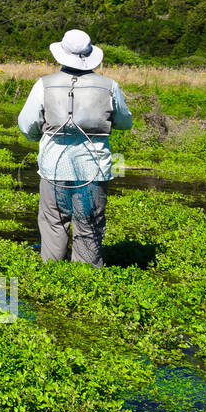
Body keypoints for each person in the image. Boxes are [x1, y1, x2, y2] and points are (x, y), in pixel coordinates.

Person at [16, 29, 133, 267]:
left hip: (53, 169)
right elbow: (125, 122)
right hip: (93, 170)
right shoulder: (109, 86)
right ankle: (85, 278)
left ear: (61, 53)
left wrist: (41, 134)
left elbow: (27, 126)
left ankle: (51, 275)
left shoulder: (44, 85)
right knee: (89, 224)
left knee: (53, 223)